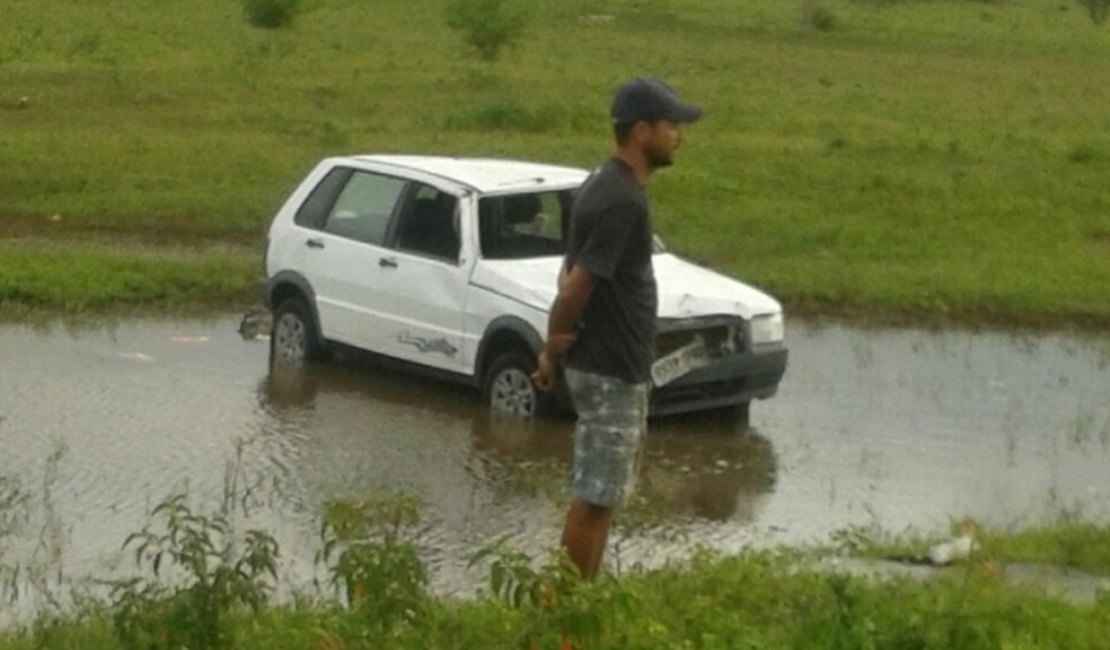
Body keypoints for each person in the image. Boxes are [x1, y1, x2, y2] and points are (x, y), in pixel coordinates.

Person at [531, 77, 701, 579]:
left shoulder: (601, 181)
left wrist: (558, 347)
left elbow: (569, 268)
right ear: (641, 130)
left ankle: (580, 595)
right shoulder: (622, 199)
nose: (679, 136)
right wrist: (551, 348)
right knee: (595, 497)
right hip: (610, 369)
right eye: (671, 125)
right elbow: (576, 285)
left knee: (601, 496)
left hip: (608, 364)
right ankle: (567, 605)